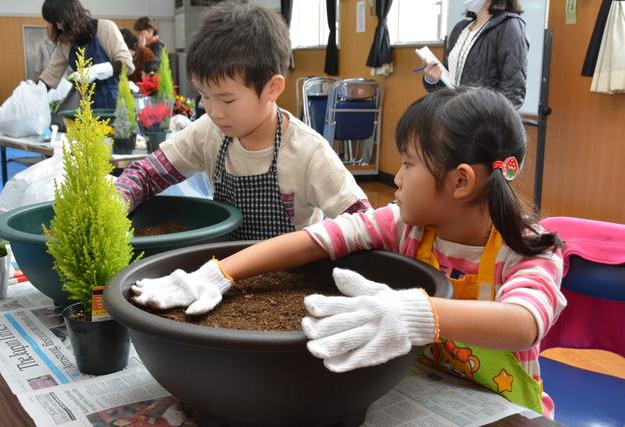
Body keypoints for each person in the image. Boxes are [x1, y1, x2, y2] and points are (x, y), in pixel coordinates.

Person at [131, 87, 567, 417]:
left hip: (502, 411)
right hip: (422, 394)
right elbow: (315, 239)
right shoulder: (404, 225)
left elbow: (522, 323)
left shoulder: (529, 250)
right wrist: (217, 273)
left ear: (460, 182)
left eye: (410, 164)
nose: (397, 178)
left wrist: (411, 312)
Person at [115, 2, 370, 240]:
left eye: (226, 100)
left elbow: (363, 220)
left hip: (290, 278)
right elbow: (147, 174)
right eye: (204, 96)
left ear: (272, 88)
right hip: (223, 270)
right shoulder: (209, 133)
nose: (214, 111)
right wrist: (118, 199)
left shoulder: (307, 152)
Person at [423, 0, 528, 109]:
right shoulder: (460, 28)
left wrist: (476, 116)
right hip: (454, 115)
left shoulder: (509, 25)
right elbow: (449, 79)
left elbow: (513, 93)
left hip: (481, 121)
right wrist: (432, 79)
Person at [38, 0, 134, 109]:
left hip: (117, 108)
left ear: (71, 16)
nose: (59, 27)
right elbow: (49, 77)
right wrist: (30, 93)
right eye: (55, 23)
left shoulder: (105, 28)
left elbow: (127, 64)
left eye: (59, 22)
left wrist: (96, 71)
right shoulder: (65, 43)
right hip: (87, 109)